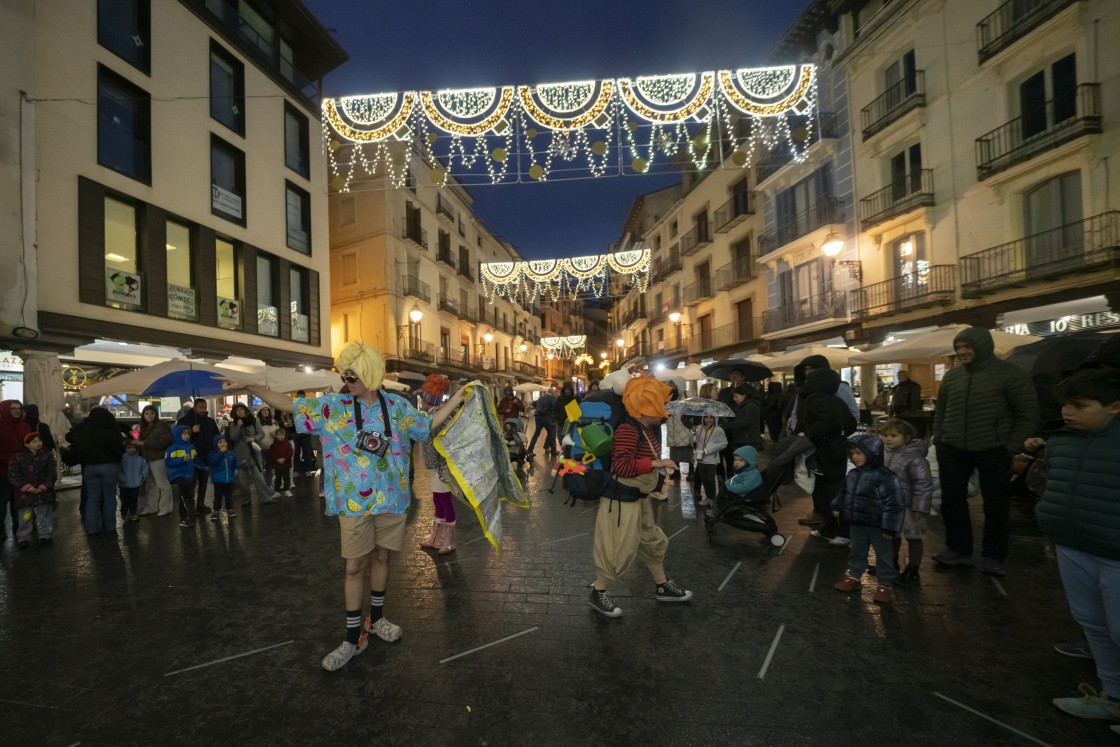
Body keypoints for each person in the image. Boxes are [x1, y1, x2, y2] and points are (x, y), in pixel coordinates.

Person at [228, 342, 462, 672]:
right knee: (354, 566)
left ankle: (376, 620)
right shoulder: (334, 407)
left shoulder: (397, 405)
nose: (346, 380)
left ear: (369, 373)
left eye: (352, 375)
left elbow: (428, 424)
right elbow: (290, 404)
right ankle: (352, 639)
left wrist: (458, 398)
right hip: (354, 503)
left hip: (392, 499)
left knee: (382, 557)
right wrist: (251, 386)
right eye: (344, 374)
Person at [1031, 369, 1120, 726]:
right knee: (1092, 623)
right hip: (1071, 543)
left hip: (1114, 551)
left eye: (1080, 405)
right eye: (1065, 404)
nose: (1067, 412)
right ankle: (1113, 695)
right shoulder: (1062, 440)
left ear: (1115, 406)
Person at [932, 327, 1038, 576]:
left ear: (982, 347)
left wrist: (1010, 447)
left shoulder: (1010, 374)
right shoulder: (952, 377)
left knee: (996, 505)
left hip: (993, 449)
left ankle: (993, 555)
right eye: (958, 347)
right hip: (952, 448)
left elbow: (1028, 414)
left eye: (967, 347)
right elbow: (941, 410)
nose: (962, 352)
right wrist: (940, 438)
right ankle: (958, 549)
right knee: (952, 500)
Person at [589, 376, 692, 618]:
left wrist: (657, 468)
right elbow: (622, 466)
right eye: (659, 404)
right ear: (646, 408)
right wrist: (656, 463)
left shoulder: (644, 429)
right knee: (616, 547)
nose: (664, 410)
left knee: (650, 540)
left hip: (639, 498)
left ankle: (662, 585)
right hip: (621, 501)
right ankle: (598, 592)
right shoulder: (628, 430)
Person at [831, 435, 906, 604]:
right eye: (852, 453)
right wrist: (837, 505)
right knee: (857, 550)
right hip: (857, 522)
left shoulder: (886, 476)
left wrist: (890, 527)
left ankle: (885, 584)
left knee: (884, 555)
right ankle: (854, 576)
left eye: (859, 453)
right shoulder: (852, 474)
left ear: (873, 453)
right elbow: (844, 491)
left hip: (878, 526)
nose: (854, 457)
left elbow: (895, 503)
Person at [799, 368, 853, 545]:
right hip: (838, 449)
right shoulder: (837, 401)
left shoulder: (815, 399)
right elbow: (851, 423)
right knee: (828, 490)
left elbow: (826, 421)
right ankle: (829, 529)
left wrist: (808, 433)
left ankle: (844, 532)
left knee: (828, 492)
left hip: (823, 451)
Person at [879, 418, 934, 586]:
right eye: (886, 435)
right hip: (892, 505)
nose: (888, 439)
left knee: (913, 537)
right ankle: (891, 564)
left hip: (910, 507)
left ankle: (913, 570)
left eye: (894, 435)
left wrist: (920, 508)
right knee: (892, 535)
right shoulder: (888, 455)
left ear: (907, 437)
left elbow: (923, 484)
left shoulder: (915, 459)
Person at [67, 406, 125, 536]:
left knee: (92, 497)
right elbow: (120, 449)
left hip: (90, 467)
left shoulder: (84, 429)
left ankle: (92, 528)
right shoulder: (110, 429)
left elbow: (69, 437)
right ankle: (110, 526)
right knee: (110, 496)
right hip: (110, 466)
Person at [9, 432, 56, 546]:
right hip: (25, 494)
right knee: (25, 517)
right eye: (34, 441)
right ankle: (23, 538)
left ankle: (45, 535)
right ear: (26, 444)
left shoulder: (47, 455)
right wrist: (28, 487)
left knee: (43, 515)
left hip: (43, 492)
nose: (38, 443)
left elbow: (51, 473)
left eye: (39, 440)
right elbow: (13, 474)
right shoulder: (18, 457)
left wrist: (43, 486)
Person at [226, 403, 276, 504]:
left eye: (241, 409)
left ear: (245, 410)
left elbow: (261, 433)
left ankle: (265, 497)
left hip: (254, 452)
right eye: (237, 410)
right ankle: (246, 499)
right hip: (240, 454)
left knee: (259, 476)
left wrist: (254, 438)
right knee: (243, 479)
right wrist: (238, 427)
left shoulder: (253, 420)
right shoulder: (233, 424)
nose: (239, 411)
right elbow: (234, 438)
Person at [177, 399, 219, 515]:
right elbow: (178, 438)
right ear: (194, 407)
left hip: (206, 457)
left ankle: (201, 504)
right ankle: (190, 506)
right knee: (190, 483)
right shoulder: (184, 421)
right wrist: (191, 430)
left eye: (205, 407)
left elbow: (216, 437)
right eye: (201, 407)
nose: (203, 410)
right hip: (190, 458)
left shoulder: (210, 422)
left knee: (203, 483)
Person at [0, 399, 32, 539]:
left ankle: (19, 526)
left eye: (19, 408)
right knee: (2, 501)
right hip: (3, 471)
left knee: (18, 502)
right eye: (13, 408)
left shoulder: (24, 426)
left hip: (21, 471)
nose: (17, 411)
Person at [136, 405, 173, 516]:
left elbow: (164, 442)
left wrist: (144, 443)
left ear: (156, 414)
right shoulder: (145, 426)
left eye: (152, 413)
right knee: (151, 484)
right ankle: (151, 507)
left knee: (162, 483)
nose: (149, 416)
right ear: (143, 415)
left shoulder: (161, 426)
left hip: (158, 458)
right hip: (147, 458)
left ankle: (165, 508)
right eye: (147, 414)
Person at [165, 425, 198, 527]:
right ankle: (185, 515)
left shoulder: (191, 446)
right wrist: (182, 459)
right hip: (176, 474)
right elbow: (168, 462)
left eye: (188, 433)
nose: (186, 436)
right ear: (178, 434)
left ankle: (186, 516)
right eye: (184, 433)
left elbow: (195, 460)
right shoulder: (172, 448)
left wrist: (203, 466)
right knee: (185, 493)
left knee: (185, 493)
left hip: (188, 475)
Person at [693, 415, 727, 507]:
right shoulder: (699, 428)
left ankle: (712, 498)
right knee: (704, 479)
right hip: (700, 458)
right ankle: (708, 498)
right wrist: (693, 437)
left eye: (711, 417)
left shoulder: (719, 430)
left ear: (715, 418)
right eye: (706, 417)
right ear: (703, 418)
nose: (709, 419)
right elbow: (695, 439)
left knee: (710, 479)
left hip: (712, 459)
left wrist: (708, 450)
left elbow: (723, 443)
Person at [665, 377, 694, 483]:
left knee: (687, 451)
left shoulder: (687, 394)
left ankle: (691, 471)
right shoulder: (669, 396)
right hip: (672, 427)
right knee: (674, 452)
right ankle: (676, 471)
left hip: (684, 426)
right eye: (669, 384)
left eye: (672, 384)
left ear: (679, 384)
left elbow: (693, 409)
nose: (670, 387)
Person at [208, 435, 242, 520]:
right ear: (216, 444)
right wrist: (220, 452)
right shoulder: (213, 453)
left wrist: (240, 464)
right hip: (218, 480)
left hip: (229, 479)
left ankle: (230, 508)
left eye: (224, 441)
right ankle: (216, 510)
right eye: (220, 442)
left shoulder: (231, 453)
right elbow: (213, 461)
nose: (223, 443)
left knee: (229, 495)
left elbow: (236, 461)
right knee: (218, 496)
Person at [117, 442, 149, 523]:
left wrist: (142, 477)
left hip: (136, 484)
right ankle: (124, 514)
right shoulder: (121, 458)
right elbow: (118, 470)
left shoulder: (140, 459)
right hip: (125, 485)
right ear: (125, 449)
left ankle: (133, 513)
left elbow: (145, 468)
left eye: (133, 447)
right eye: (128, 448)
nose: (131, 449)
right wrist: (122, 479)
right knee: (125, 501)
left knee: (134, 500)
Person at [292, 390, 317, 477]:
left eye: (302, 397)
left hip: (306, 433)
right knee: (296, 453)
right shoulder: (292, 407)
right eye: (299, 397)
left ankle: (308, 470)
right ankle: (297, 470)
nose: (300, 398)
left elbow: (312, 419)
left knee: (307, 452)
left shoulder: (308, 407)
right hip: (296, 433)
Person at [527, 387, 557, 458]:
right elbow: (555, 407)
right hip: (547, 418)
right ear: (552, 393)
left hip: (538, 418)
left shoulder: (541, 398)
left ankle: (530, 449)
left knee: (536, 434)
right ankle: (553, 450)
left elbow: (534, 403)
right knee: (552, 433)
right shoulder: (551, 398)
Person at [257, 405, 278, 490]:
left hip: (271, 447)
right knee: (260, 468)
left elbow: (279, 433)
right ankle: (261, 486)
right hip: (260, 448)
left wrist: (275, 435)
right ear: (260, 412)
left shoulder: (274, 422)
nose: (266, 412)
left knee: (270, 467)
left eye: (267, 410)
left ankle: (269, 485)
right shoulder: (257, 422)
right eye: (263, 410)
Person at [268, 428, 294, 497]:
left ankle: (287, 489)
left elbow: (290, 452)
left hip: (286, 464)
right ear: (276, 436)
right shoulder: (273, 445)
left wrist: (284, 458)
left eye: (283, 435)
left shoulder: (288, 444)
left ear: (285, 435)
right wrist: (277, 459)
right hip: (277, 465)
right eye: (279, 435)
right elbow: (271, 453)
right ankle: (276, 491)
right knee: (278, 478)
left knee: (286, 478)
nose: (281, 436)